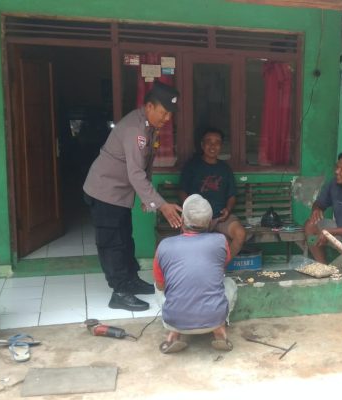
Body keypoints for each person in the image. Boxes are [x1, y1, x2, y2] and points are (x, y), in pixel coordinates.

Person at [83, 81, 183, 312]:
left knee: (125, 239)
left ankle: (131, 280)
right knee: (112, 243)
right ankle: (119, 292)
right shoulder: (135, 130)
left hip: (119, 194)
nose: (167, 118)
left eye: (170, 114)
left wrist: (147, 197)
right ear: (149, 106)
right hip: (105, 191)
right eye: (164, 112)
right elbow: (135, 173)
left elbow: (145, 164)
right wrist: (161, 205)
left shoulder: (149, 126)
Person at [153, 194, 237, 354]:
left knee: (158, 286)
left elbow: (161, 286)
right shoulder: (221, 240)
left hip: (175, 319)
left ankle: (173, 333)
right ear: (209, 222)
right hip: (213, 318)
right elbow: (220, 268)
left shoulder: (164, 245)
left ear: (182, 219)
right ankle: (219, 330)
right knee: (229, 283)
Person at [179, 128, 246, 258]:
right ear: (202, 145)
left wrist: (228, 209)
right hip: (197, 218)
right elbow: (182, 191)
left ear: (221, 146)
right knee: (193, 247)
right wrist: (190, 212)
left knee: (240, 234)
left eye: (217, 143)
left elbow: (232, 195)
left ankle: (220, 266)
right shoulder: (192, 166)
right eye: (209, 142)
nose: (212, 146)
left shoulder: (225, 169)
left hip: (220, 218)